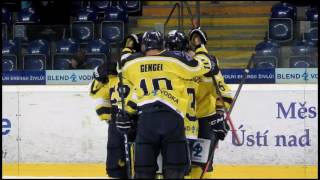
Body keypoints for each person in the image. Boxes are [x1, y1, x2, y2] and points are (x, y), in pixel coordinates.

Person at [115, 28, 217, 179]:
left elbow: (121, 64)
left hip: (146, 120)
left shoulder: (131, 63)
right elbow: (204, 65)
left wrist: (129, 45)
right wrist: (199, 45)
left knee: (143, 169)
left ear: (143, 47)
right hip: (172, 119)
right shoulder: (175, 59)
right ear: (162, 45)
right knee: (175, 169)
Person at [164, 29, 233, 177]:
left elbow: (223, 92)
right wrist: (201, 46)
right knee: (197, 166)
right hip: (192, 120)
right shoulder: (203, 63)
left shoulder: (164, 64)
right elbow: (223, 93)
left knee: (185, 166)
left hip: (193, 120)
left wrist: (219, 114)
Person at [89, 33, 142, 178]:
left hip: (138, 119)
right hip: (116, 121)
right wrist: (99, 75)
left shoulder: (140, 74)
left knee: (141, 162)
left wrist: (131, 111)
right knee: (115, 163)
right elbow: (95, 93)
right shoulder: (113, 77)